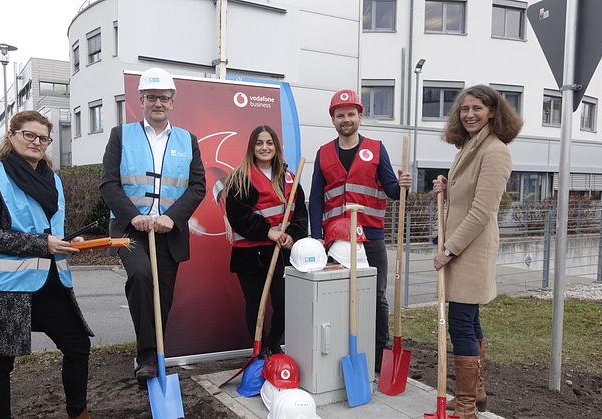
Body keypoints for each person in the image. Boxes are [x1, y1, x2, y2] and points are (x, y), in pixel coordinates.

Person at [0, 111, 93, 419]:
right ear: (12, 136)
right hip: (3, 289)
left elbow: (50, 228)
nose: (36, 142)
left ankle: (78, 413)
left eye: (43, 138)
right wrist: (42, 244)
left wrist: (69, 241)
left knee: (77, 347)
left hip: (50, 281)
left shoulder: (54, 180)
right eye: (29, 135)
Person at [100, 67, 206, 388]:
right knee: (141, 276)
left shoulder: (188, 140)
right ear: (141, 100)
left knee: (163, 296)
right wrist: (133, 215)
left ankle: (156, 351)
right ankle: (147, 357)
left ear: (172, 102)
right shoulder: (122, 135)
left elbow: (198, 186)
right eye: (151, 97)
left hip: (168, 231)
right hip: (130, 229)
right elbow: (109, 183)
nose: (157, 103)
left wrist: (171, 217)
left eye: (163, 98)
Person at [432, 85, 522, 419]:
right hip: (460, 249)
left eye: (477, 109)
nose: (469, 114)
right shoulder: (470, 147)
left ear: (493, 112)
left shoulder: (495, 151)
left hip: (470, 250)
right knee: (469, 320)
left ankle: (467, 406)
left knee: (461, 325)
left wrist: (450, 250)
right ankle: (476, 393)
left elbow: (482, 211)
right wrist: (447, 186)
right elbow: (466, 196)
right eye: (465, 109)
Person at [308, 89, 413, 372]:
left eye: (351, 114)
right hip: (335, 239)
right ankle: (343, 348)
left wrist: (402, 184)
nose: (346, 119)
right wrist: (316, 236)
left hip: (371, 236)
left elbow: (391, 190)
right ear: (333, 120)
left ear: (360, 116)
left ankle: (380, 352)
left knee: (376, 296)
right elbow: (316, 196)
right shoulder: (323, 153)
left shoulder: (377, 149)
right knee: (338, 295)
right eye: (340, 115)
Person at [224, 125, 308, 357]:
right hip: (251, 255)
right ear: (252, 147)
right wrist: (266, 231)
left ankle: (273, 344)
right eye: (259, 143)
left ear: (276, 147)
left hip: (282, 253)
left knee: (283, 304)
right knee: (256, 305)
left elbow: (300, 212)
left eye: (269, 143)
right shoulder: (240, 178)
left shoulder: (289, 178)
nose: (264, 147)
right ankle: (259, 350)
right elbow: (238, 216)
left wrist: (293, 234)